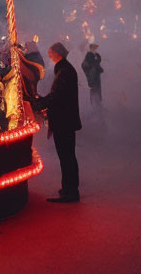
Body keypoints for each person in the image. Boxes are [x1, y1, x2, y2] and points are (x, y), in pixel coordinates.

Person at [37, 42, 81, 203]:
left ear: (58, 54)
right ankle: (68, 188)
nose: (49, 56)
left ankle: (71, 192)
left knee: (66, 156)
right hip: (66, 120)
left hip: (64, 120)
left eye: (50, 53)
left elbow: (57, 96)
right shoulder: (64, 69)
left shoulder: (64, 71)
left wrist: (40, 103)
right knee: (67, 156)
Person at [81, 43, 104, 113]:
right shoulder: (88, 55)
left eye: (95, 48)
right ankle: (93, 106)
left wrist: (98, 68)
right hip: (91, 76)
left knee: (97, 89)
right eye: (93, 48)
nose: (95, 49)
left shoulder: (96, 55)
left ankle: (98, 105)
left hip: (96, 76)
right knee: (93, 90)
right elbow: (84, 65)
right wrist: (91, 69)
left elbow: (98, 61)